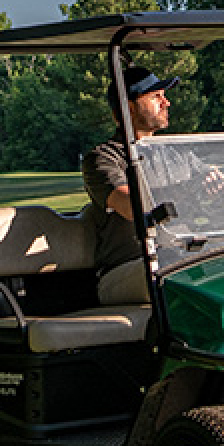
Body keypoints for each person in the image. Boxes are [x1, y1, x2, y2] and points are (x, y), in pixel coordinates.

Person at [82, 65, 177, 304]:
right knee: (173, 267)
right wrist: (184, 191)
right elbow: (130, 206)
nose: (166, 103)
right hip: (125, 269)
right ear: (129, 109)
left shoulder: (173, 154)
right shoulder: (103, 159)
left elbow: (211, 186)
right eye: (156, 97)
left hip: (175, 254)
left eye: (164, 96)